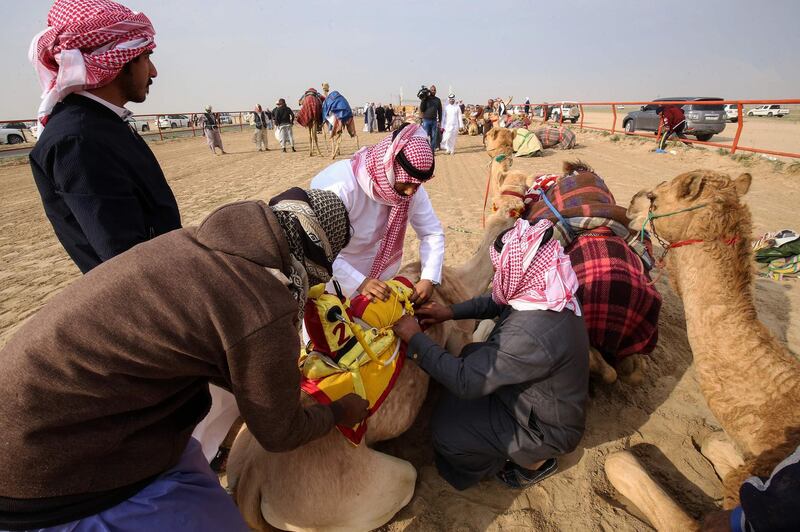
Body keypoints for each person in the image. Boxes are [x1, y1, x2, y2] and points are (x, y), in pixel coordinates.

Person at [0, 188, 369, 531]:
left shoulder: (197, 243)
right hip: (48, 470)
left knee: (195, 469)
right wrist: (339, 411)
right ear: (318, 255)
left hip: (30, 404)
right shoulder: (261, 302)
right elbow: (280, 432)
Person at [392, 219, 589, 491]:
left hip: (542, 427)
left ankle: (519, 465)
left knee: (447, 433)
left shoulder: (531, 332)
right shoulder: (549, 287)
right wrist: (450, 312)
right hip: (539, 399)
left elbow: (466, 381)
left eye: (503, 270)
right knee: (472, 352)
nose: (499, 276)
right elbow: (500, 300)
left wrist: (414, 337)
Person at [27, 0, 181, 274]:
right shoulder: (77, 140)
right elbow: (125, 259)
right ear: (118, 61)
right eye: (146, 58)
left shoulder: (102, 123)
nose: (154, 71)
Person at [310, 123, 444, 304]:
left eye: (417, 184)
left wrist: (429, 277)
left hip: (381, 286)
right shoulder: (339, 187)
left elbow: (431, 232)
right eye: (406, 184)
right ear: (389, 168)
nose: (410, 192)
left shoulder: (412, 190)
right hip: (332, 280)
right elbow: (316, 248)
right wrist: (359, 282)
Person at [420, 84, 443, 151]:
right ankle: (426, 150)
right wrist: (423, 100)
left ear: (436, 91)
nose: (433, 91)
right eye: (432, 90)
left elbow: (440, 111)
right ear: (429, 90)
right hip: (426, 120)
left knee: (434, 137)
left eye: (434, 90)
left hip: (434, 121)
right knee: (426, 136)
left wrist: (440, 121)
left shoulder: (437, 100)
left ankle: (432, 150)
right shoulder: (426, 99)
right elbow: (422, 109)